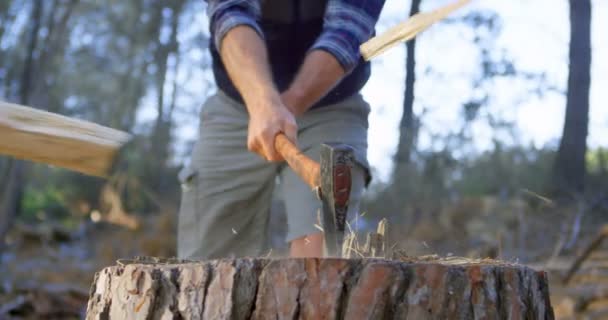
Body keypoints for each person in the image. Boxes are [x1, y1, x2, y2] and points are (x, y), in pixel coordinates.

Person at [177, 0, 386, 259]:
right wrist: (263, 103)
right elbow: (230, 13)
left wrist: (285, 106)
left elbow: (346, 33)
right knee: (206, 261)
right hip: (237, 102)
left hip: (332, 101)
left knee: (321, 259)